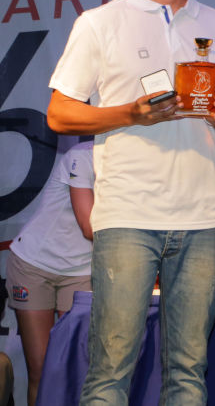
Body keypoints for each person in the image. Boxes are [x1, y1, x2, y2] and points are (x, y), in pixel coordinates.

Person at [46, 0, 215, 404]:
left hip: (202, 213)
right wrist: (129, 114)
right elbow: (59, 113)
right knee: (111, 368)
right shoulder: (99, 23)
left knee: (189, 369)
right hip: (127, 214)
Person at [5, 141, 95, 406]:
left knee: (77, 368)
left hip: (83, 271)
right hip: (34, 265)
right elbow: (89, 227)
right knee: (42, 369)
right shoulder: (83, 154)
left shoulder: (143, 168)